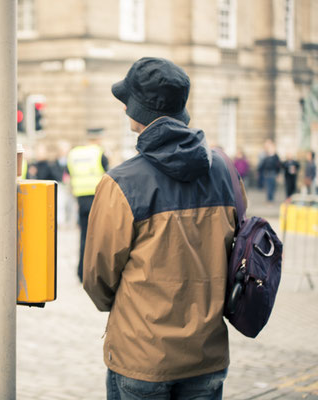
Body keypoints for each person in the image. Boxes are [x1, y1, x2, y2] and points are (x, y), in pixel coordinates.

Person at [83, 57, 244, 399]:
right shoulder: (226, 172)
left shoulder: (121, 182)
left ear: (135, 110)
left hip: (142, 353)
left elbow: (98, 277)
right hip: (206, 352)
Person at [66, 127, 109, 282]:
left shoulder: (74, 154)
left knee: (84, 236)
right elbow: (108, 176)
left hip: (80, 199)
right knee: (99, 236)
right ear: (98, 138)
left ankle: (81, 272)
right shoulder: (99, 153)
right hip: (97, 200)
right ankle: (96, 272)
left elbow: (70, 175)